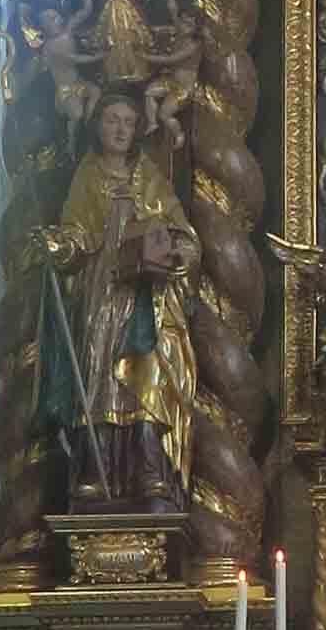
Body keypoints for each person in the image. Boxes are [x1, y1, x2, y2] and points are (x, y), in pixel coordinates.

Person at [33, 94, 202, 510]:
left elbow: (184, 235)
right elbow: (76, 234)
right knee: (99, 376)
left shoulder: (151, 178)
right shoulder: (87, 177)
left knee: (146, 375)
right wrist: (59, 245)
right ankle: (94, 469)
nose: (121, 129)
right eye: (113, 120)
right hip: (102, 293)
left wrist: (177, 253)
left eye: (128, 121)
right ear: (98, 126)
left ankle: (148, 467)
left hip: (146, 297)